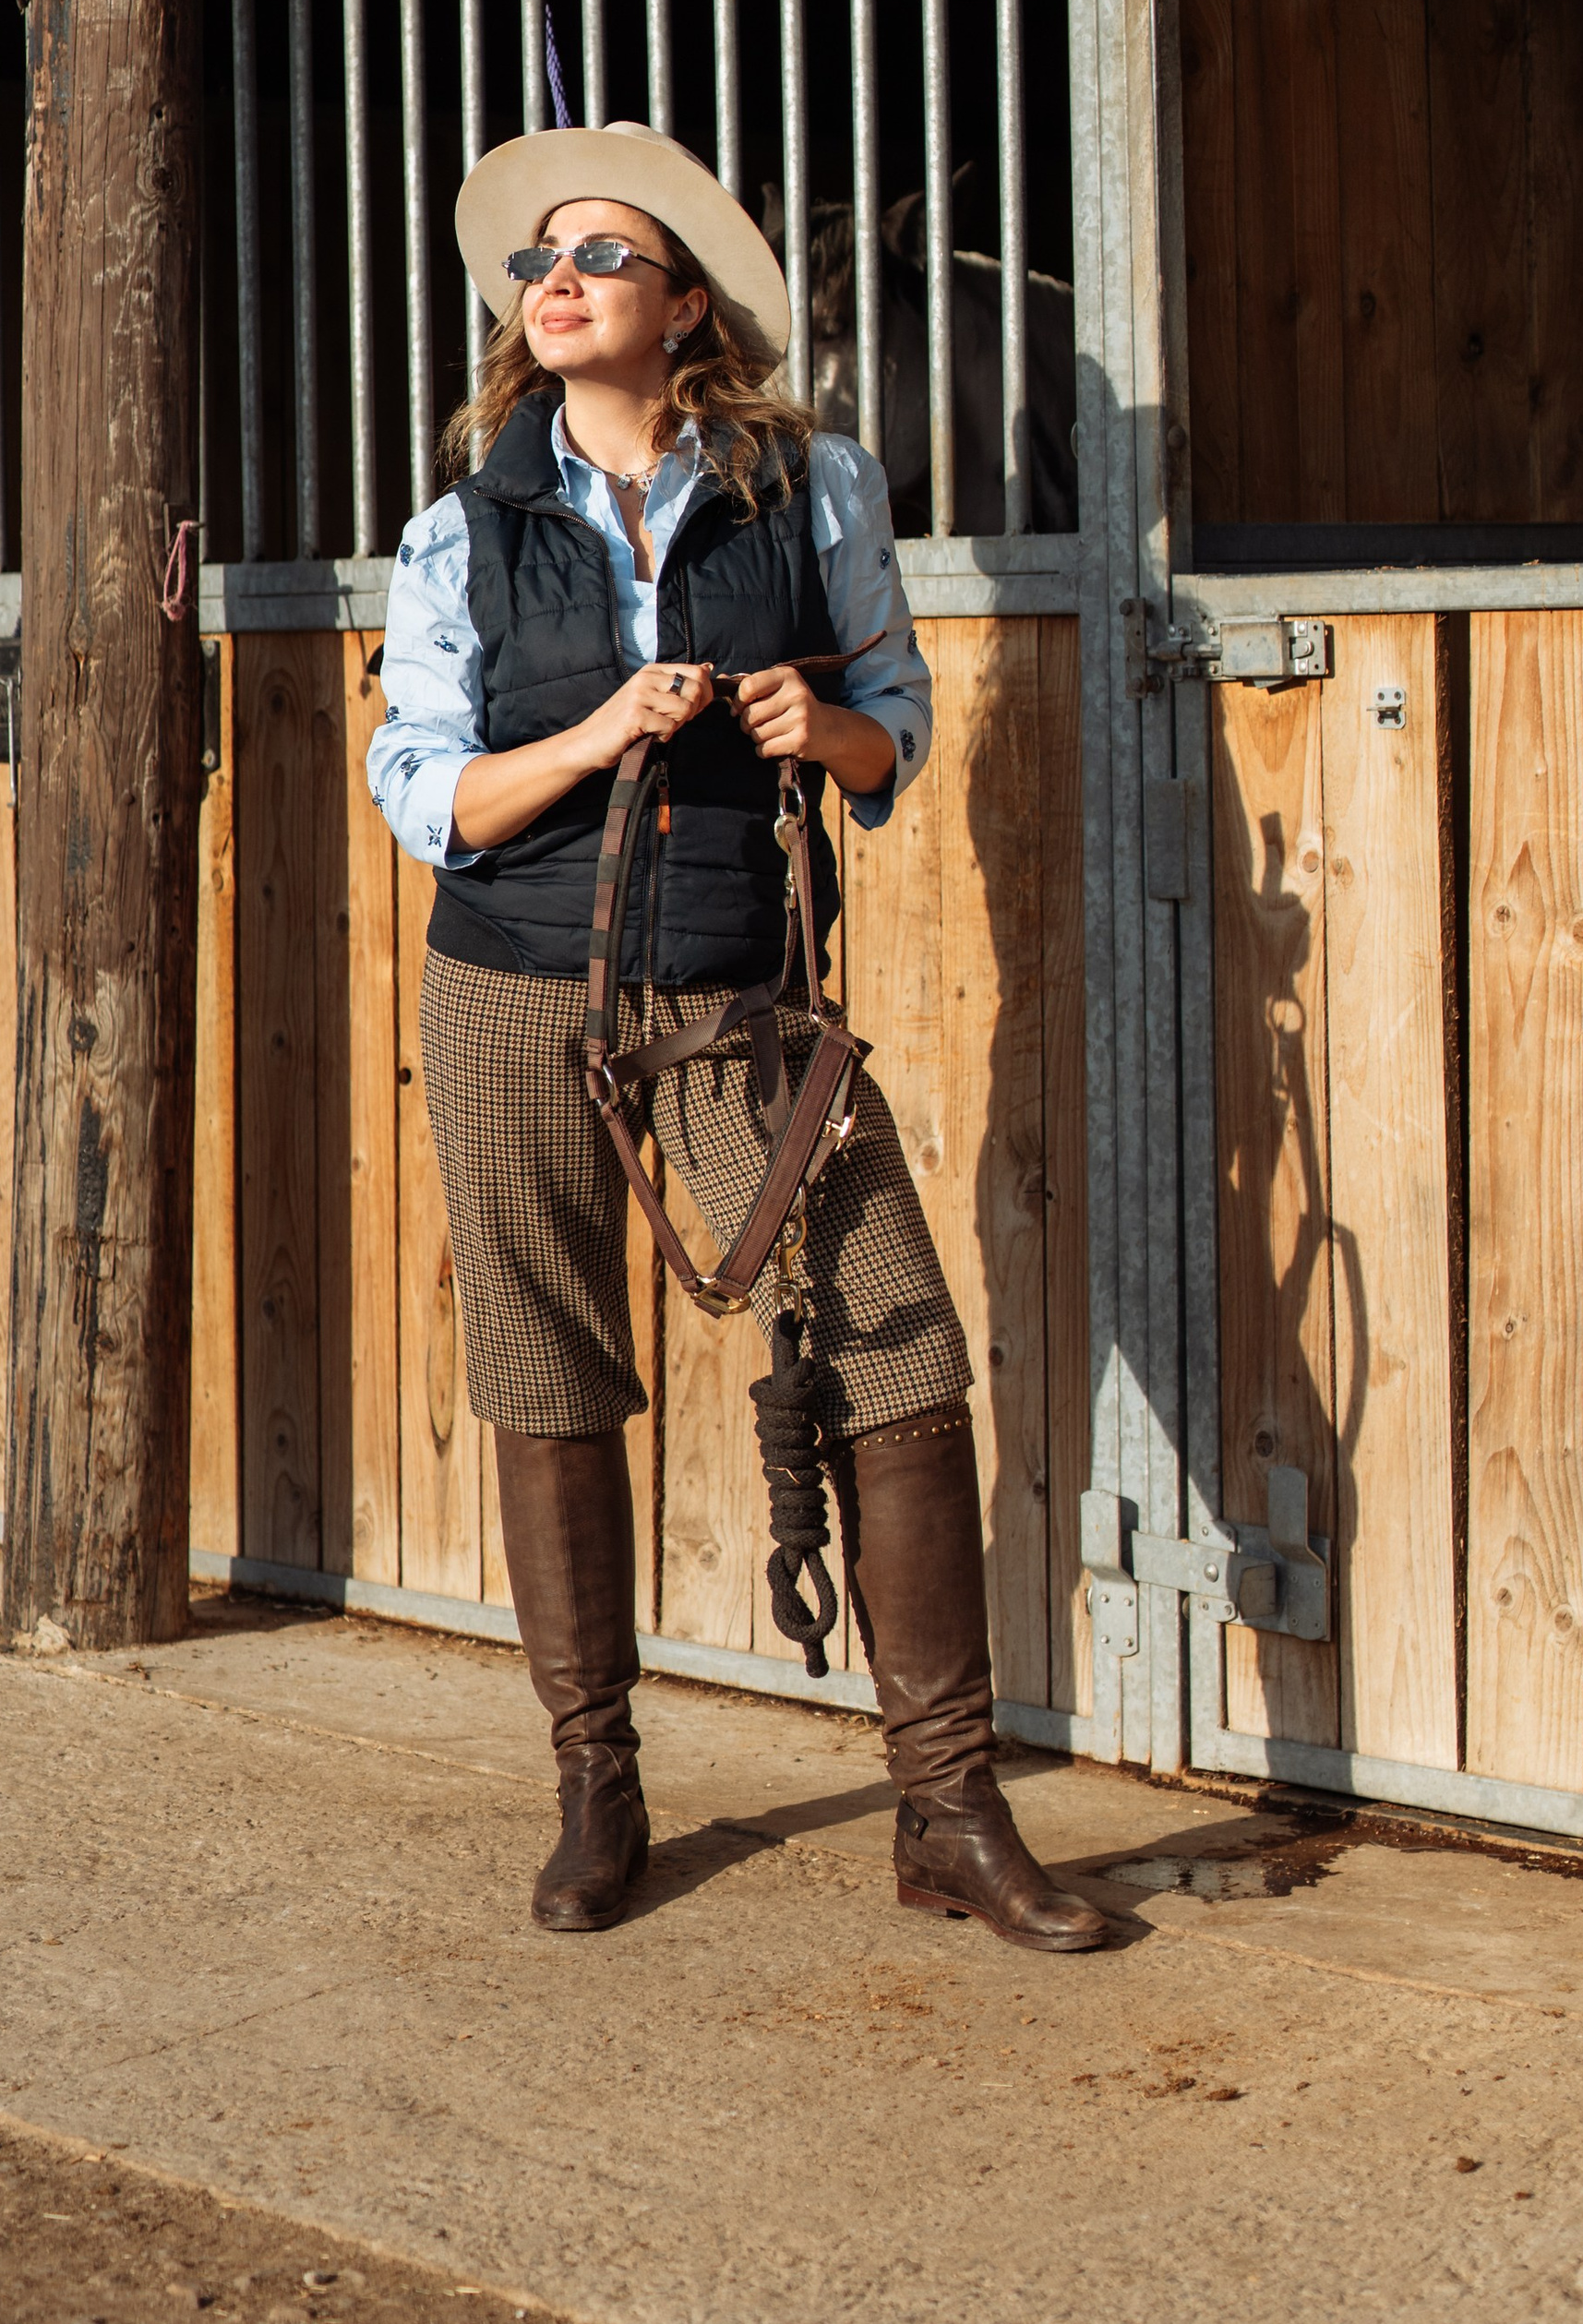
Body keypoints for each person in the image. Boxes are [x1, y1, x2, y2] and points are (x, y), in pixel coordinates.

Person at [366, 119, 1107, 1955]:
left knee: (892, 1339)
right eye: (541, 256)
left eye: (603, 255)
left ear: (684, 303)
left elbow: (893, 723)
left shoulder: (813, 490)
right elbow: (422, 793)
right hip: (508, 985)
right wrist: (599, 732)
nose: (558, 277)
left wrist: (816, 728)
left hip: (731, 988)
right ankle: (595, 1785)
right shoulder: (462, 523)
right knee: (548, 1366)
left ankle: (944, 1801)